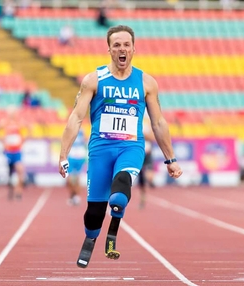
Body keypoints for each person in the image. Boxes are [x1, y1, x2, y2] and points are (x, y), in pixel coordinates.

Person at [58, 25, 183, 268]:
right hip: (100, 150)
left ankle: (113, 231)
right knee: (94, 214)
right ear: (109, 50)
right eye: (117, 45)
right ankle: (91, 238)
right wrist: (63, 154)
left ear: (134, 49)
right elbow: (75, 118)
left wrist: (171, 159)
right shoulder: (93, 80)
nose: (122, 49)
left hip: (131, 148)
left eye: (126, 45)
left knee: (120, 192)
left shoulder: (146, 82)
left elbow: (158, 122)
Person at [0, 106, 29, 200]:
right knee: (10, 172)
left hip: (17, 151)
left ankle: (18, 192)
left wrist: (24, 139)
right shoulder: (4, 122)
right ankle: (10, 189)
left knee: (20, 170)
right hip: (8, 151)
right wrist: (2, 141)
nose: (12, 114)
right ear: (8, 113)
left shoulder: (19, 122)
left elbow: (29, 128)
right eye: (11, 112)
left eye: (14, 112)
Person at [137, 113, 155, 209]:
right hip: (138, 151)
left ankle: (151, 181)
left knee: (148, 173)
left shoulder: (148, 122)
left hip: (147, 151)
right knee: (141, 179)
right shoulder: (136, 120)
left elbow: (152, 136)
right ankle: (142, 199)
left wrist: (142, 135)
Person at [66, 128, 87, 206]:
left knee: (78, 178)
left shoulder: (82, 131)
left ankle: (76, 196)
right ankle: (72, 195)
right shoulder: (69, 129)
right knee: (69, 179)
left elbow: (85, 141)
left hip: (80, 157)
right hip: (71, 157)